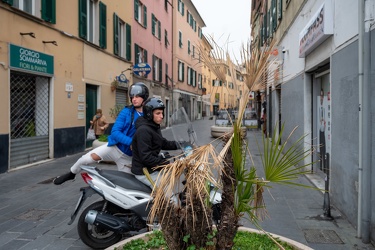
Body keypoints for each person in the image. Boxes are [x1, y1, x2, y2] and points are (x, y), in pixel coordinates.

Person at [53, 82, 149, 185]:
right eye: (132, 96)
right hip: (114, 148)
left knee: (128, 186)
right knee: (85, 159)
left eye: (138, 96)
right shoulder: (126, 112)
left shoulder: (149, 116)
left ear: (144, 98)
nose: (134, 99)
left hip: (129, 158)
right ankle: (71, 173)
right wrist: (131, 142)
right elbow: (115, 132)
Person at [131, 97, 179, 189]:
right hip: (145, 172)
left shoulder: (154, 126)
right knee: (170, 196)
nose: (161, 116)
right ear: (149, 114)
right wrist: (165, 163)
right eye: (158, 113)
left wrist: (181, 144)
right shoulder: (144, 130)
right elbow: (146, 157)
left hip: (152, 168)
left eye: (162, 113)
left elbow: (162, 142)